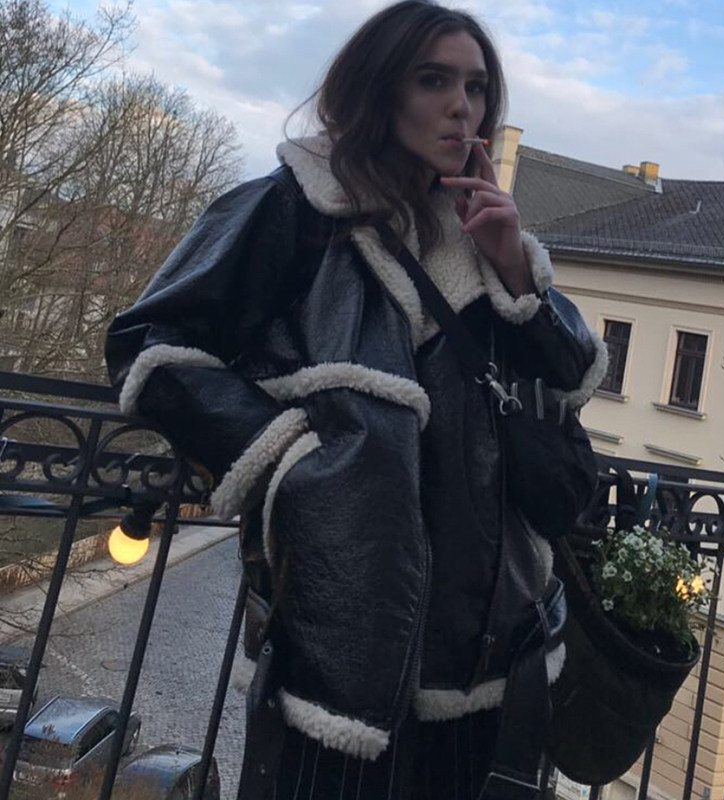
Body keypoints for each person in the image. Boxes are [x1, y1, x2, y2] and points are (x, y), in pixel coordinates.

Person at [105, 1, 607, 797]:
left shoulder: (486, 231)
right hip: (344, 645)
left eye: (476, 87)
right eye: (433, 80)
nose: (462, 106)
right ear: (378, 89)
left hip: (494, 651)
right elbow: (149, 346)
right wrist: (292, 458)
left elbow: (571, 376)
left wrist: (517, 270)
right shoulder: (296, 207)